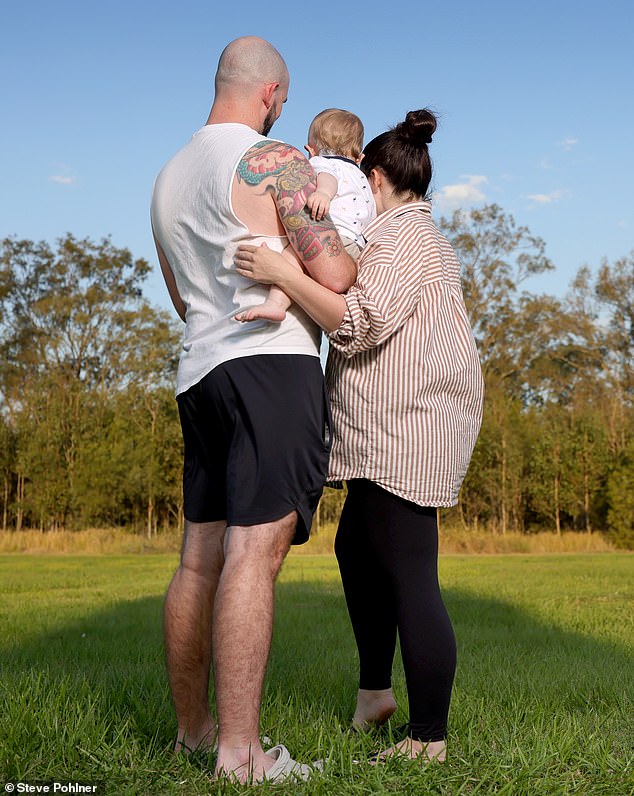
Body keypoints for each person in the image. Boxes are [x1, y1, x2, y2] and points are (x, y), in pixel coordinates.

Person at [235, 108, 484, 765]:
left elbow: (361, 322)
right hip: (388, 430)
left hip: (408, 432)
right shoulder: (403, 237)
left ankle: (428, 738)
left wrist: (286, 277)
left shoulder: (404, 238)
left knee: (410, 575)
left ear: (374, 179)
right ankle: (376, 694)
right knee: (356, 549)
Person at [150, 36, 356, 783]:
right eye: (285, 102)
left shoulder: (167, 178)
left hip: (199, 370)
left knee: (197, 559)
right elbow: (334, 267)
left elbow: (181, 298)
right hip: (270, 367)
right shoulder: (273, 161)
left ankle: (195, 735)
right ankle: (242, 756)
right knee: (252, 555)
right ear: (271, 94)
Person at [236, 108, 375, 323]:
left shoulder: (322, 162)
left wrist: (323, 193)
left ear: (311, 149)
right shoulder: (363, 179)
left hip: (334, 237)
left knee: (296, 253)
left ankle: (276, 303)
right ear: (360, 157)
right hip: (357, 247)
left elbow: (328, 178)